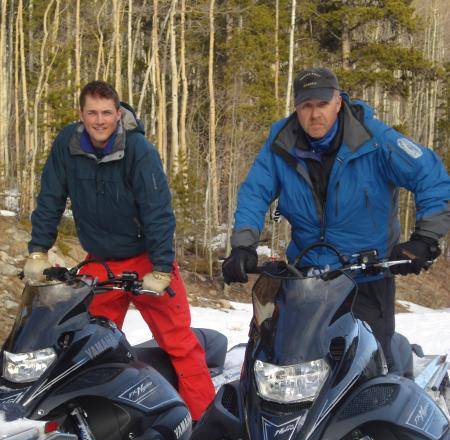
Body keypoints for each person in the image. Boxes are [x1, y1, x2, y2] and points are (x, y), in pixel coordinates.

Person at [222, 67, 450, 367]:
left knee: (368, 367)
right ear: (296, 108)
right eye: (306, 106)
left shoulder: (374, 139)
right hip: (307, 276)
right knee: (284, 360)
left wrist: (424, 240)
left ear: (338, 102)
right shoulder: (281, 144)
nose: (314, 114)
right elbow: (254, 192)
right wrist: (243, 245)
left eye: (322, 104)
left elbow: (430, 175)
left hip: (367, 275)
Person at [24, 80, 215, 420]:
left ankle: (205, 423)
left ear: (118, 113)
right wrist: (39, 250)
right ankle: (94, 423)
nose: (100, 121)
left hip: (146, 261)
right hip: (100, 263)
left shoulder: (138, 150)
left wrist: (160, 268)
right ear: (81, 115)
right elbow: (50, 198)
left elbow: (157, 210)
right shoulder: (67, 146)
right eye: (92, 113)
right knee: (86, 346)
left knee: (179, 343)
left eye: (107, 113)